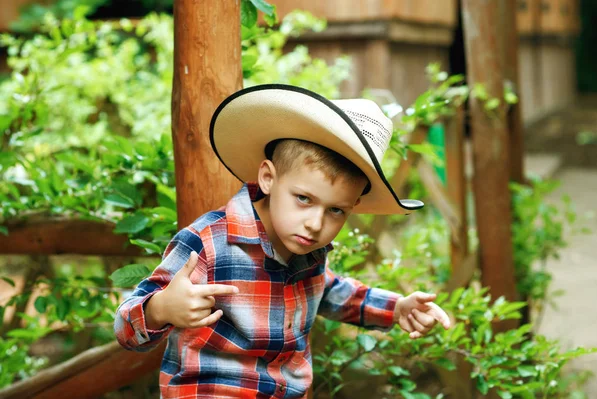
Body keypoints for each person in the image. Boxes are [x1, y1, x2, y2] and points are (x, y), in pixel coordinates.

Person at [114, 84, 451, 398]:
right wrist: (160, 309)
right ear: (268, 178)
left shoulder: (308, 251)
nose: (316, 224)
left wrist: (397, 308)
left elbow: (331, 291)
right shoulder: (207, 243)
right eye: (303, 198)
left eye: (336, 210)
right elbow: (126, 327)